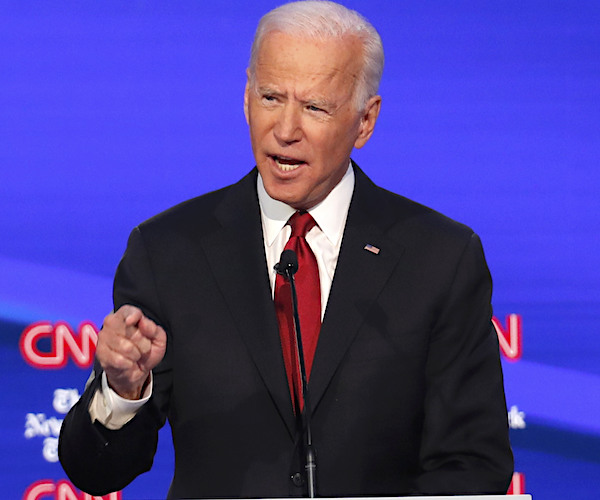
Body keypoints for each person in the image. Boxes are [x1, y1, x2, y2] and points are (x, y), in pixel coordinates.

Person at [59, 1, 513, 498]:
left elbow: (473, 463)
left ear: (365, 121)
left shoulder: (440, 258)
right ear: (246, 95)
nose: (285, 129)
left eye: (315, 107)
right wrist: (122, 391)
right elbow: (96, 472)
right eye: (271, 97)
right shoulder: (169, 250)